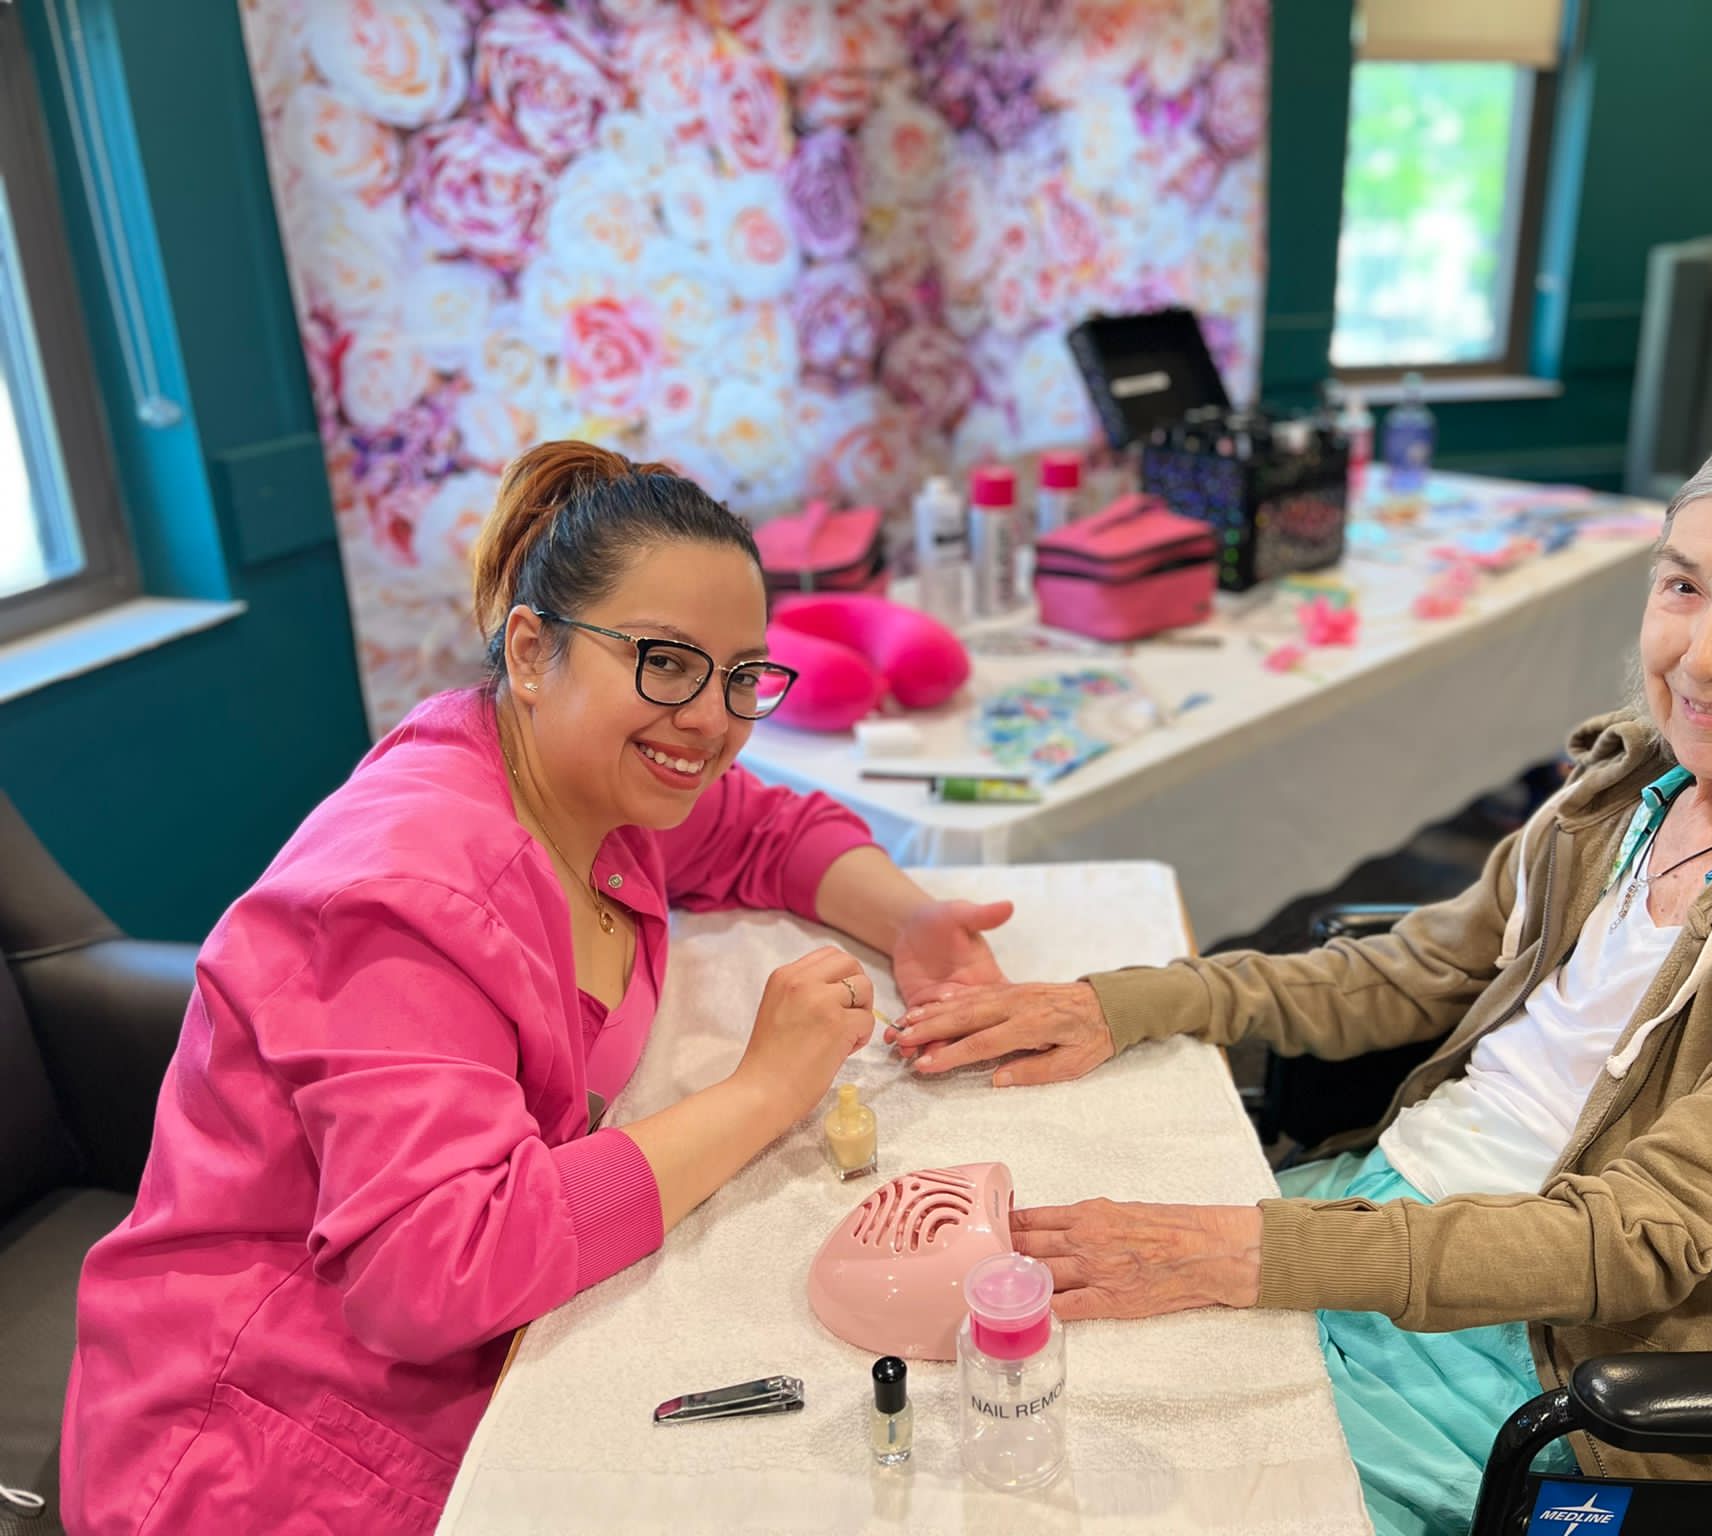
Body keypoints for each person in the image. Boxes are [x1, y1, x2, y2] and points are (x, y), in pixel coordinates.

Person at [887, 427, 1712, 1535]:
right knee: (975, 1387)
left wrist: (1237, 1253)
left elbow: (1641, 1235)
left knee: (1107, 1485)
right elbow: (1419, 964)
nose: (1702, 653)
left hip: (1573, 1361)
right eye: (1682, 587)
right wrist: (1124, 1001)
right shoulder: (1628, 790)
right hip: (1384, 1208)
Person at [60, 443, 1013, 1534]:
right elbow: (436, 1272)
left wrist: (910, 921)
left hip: (474, 1353)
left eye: (742, 676)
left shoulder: (589, 775)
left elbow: (764, 827)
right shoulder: (406, 895)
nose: (710, 720)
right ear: (528, 649)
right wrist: (762, 1090)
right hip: (258, 1437)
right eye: (664, 661)